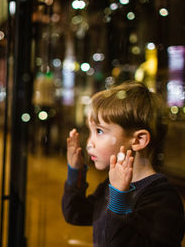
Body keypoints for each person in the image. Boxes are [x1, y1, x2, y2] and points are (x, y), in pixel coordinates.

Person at [62, 81, 185, 246]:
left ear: (139, 140)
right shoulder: (113, 185)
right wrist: (75, 171)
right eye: (90, 131)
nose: (89, 143)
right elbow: (75, 213)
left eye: (99, 131)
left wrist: (119, 199)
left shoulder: (163, 199)